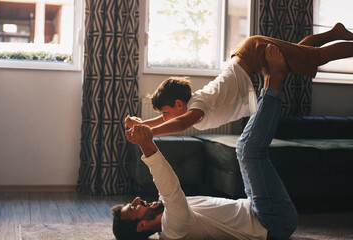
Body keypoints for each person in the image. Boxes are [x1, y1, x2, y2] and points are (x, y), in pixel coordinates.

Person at [112, 45, 297, 239]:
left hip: (256, 206)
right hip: (272, 221)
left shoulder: (166, 210)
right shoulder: (174, 229)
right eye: (133, 208)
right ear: (141, 226)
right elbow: (168, 186)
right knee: (249, 151)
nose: (137, 200)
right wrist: (146, 141)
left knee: (243, 149)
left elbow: (167, 120)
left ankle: (269, 85)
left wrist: (144, 125)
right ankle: (275, 81)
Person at [125, 23, 353, 136]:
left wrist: (148, 131)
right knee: (297, 55)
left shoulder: (196, 107)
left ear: (178, 104)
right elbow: (171, 120)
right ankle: (335, 32)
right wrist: (142, 125)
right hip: (250, 55)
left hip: (254, 52)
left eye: (164, 113)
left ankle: (338, 37)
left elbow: (179, 123)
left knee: (316, 57)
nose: (163, 118)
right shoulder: (192, 104)